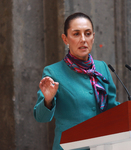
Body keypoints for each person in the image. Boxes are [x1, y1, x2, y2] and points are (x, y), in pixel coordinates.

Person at [33, 12, 120, 150]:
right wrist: (48, 101)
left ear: (93, 37)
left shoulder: (102, 68)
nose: (83, 39)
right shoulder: (53, 72)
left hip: (102, 146)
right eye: (76, 34)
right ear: (65, 39)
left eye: (87, 33)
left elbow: (112, 109)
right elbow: (40, 117)